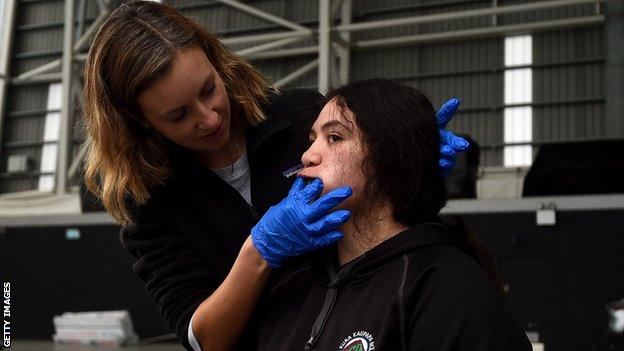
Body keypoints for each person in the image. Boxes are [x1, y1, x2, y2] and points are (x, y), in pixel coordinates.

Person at [81, 2, 469, 350]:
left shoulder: (301, 116)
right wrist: (258, 251)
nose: (210, 117)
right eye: (178, 115)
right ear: (138, 122)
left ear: (217, 63)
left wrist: (407, 159)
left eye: (209, 89)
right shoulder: (148, 205)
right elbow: (203, 340)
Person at [256, 79, 531, 351]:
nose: (307, 156)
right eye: (313, 139)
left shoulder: (446, 287)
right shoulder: (295, 283)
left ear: (389, 157)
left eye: (335, 137)